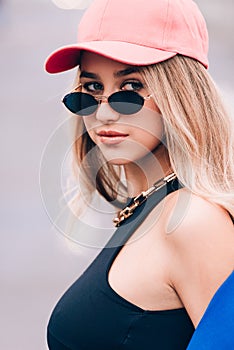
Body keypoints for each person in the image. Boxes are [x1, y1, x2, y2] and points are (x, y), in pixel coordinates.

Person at [45, 0, 234, 349]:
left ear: (181, 95)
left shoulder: (194, 222)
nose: (103, 114)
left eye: (130, 89)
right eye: (91, 89)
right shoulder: (147, 205)